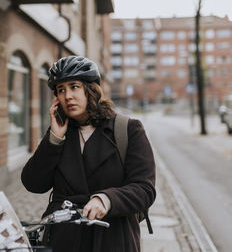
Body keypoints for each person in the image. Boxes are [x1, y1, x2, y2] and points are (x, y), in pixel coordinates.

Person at [21, 56, 156, 252]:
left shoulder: (127, 130)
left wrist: (106, 199)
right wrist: (54, 139)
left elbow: (145, 189)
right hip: (64, 240)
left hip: (113, 238)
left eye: (74, 86)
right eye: (61, 90)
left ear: (91, 89)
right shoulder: (59, 134)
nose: (67, 96)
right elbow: (33, 183)